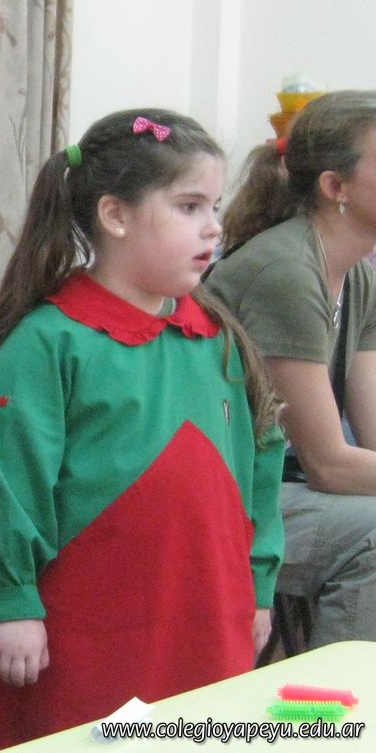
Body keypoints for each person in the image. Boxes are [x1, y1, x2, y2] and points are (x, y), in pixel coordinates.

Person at [0, 109, 286, 752]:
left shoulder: (216, 336)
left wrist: (258, 587)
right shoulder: (50, 341)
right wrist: (15, 602)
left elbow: (261, 463)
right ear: (115, 215)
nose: (214, 226)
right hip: (85, 623)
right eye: (189, 206)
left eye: (213, 206)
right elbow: (5, 480)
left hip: (201, 610)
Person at [205, 90, 376, 649]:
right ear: (335, 187)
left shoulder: (360, 276)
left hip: (283, 484)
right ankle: (337, 702)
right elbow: (329, 464)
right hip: (227, 494)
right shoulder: (286, 272)